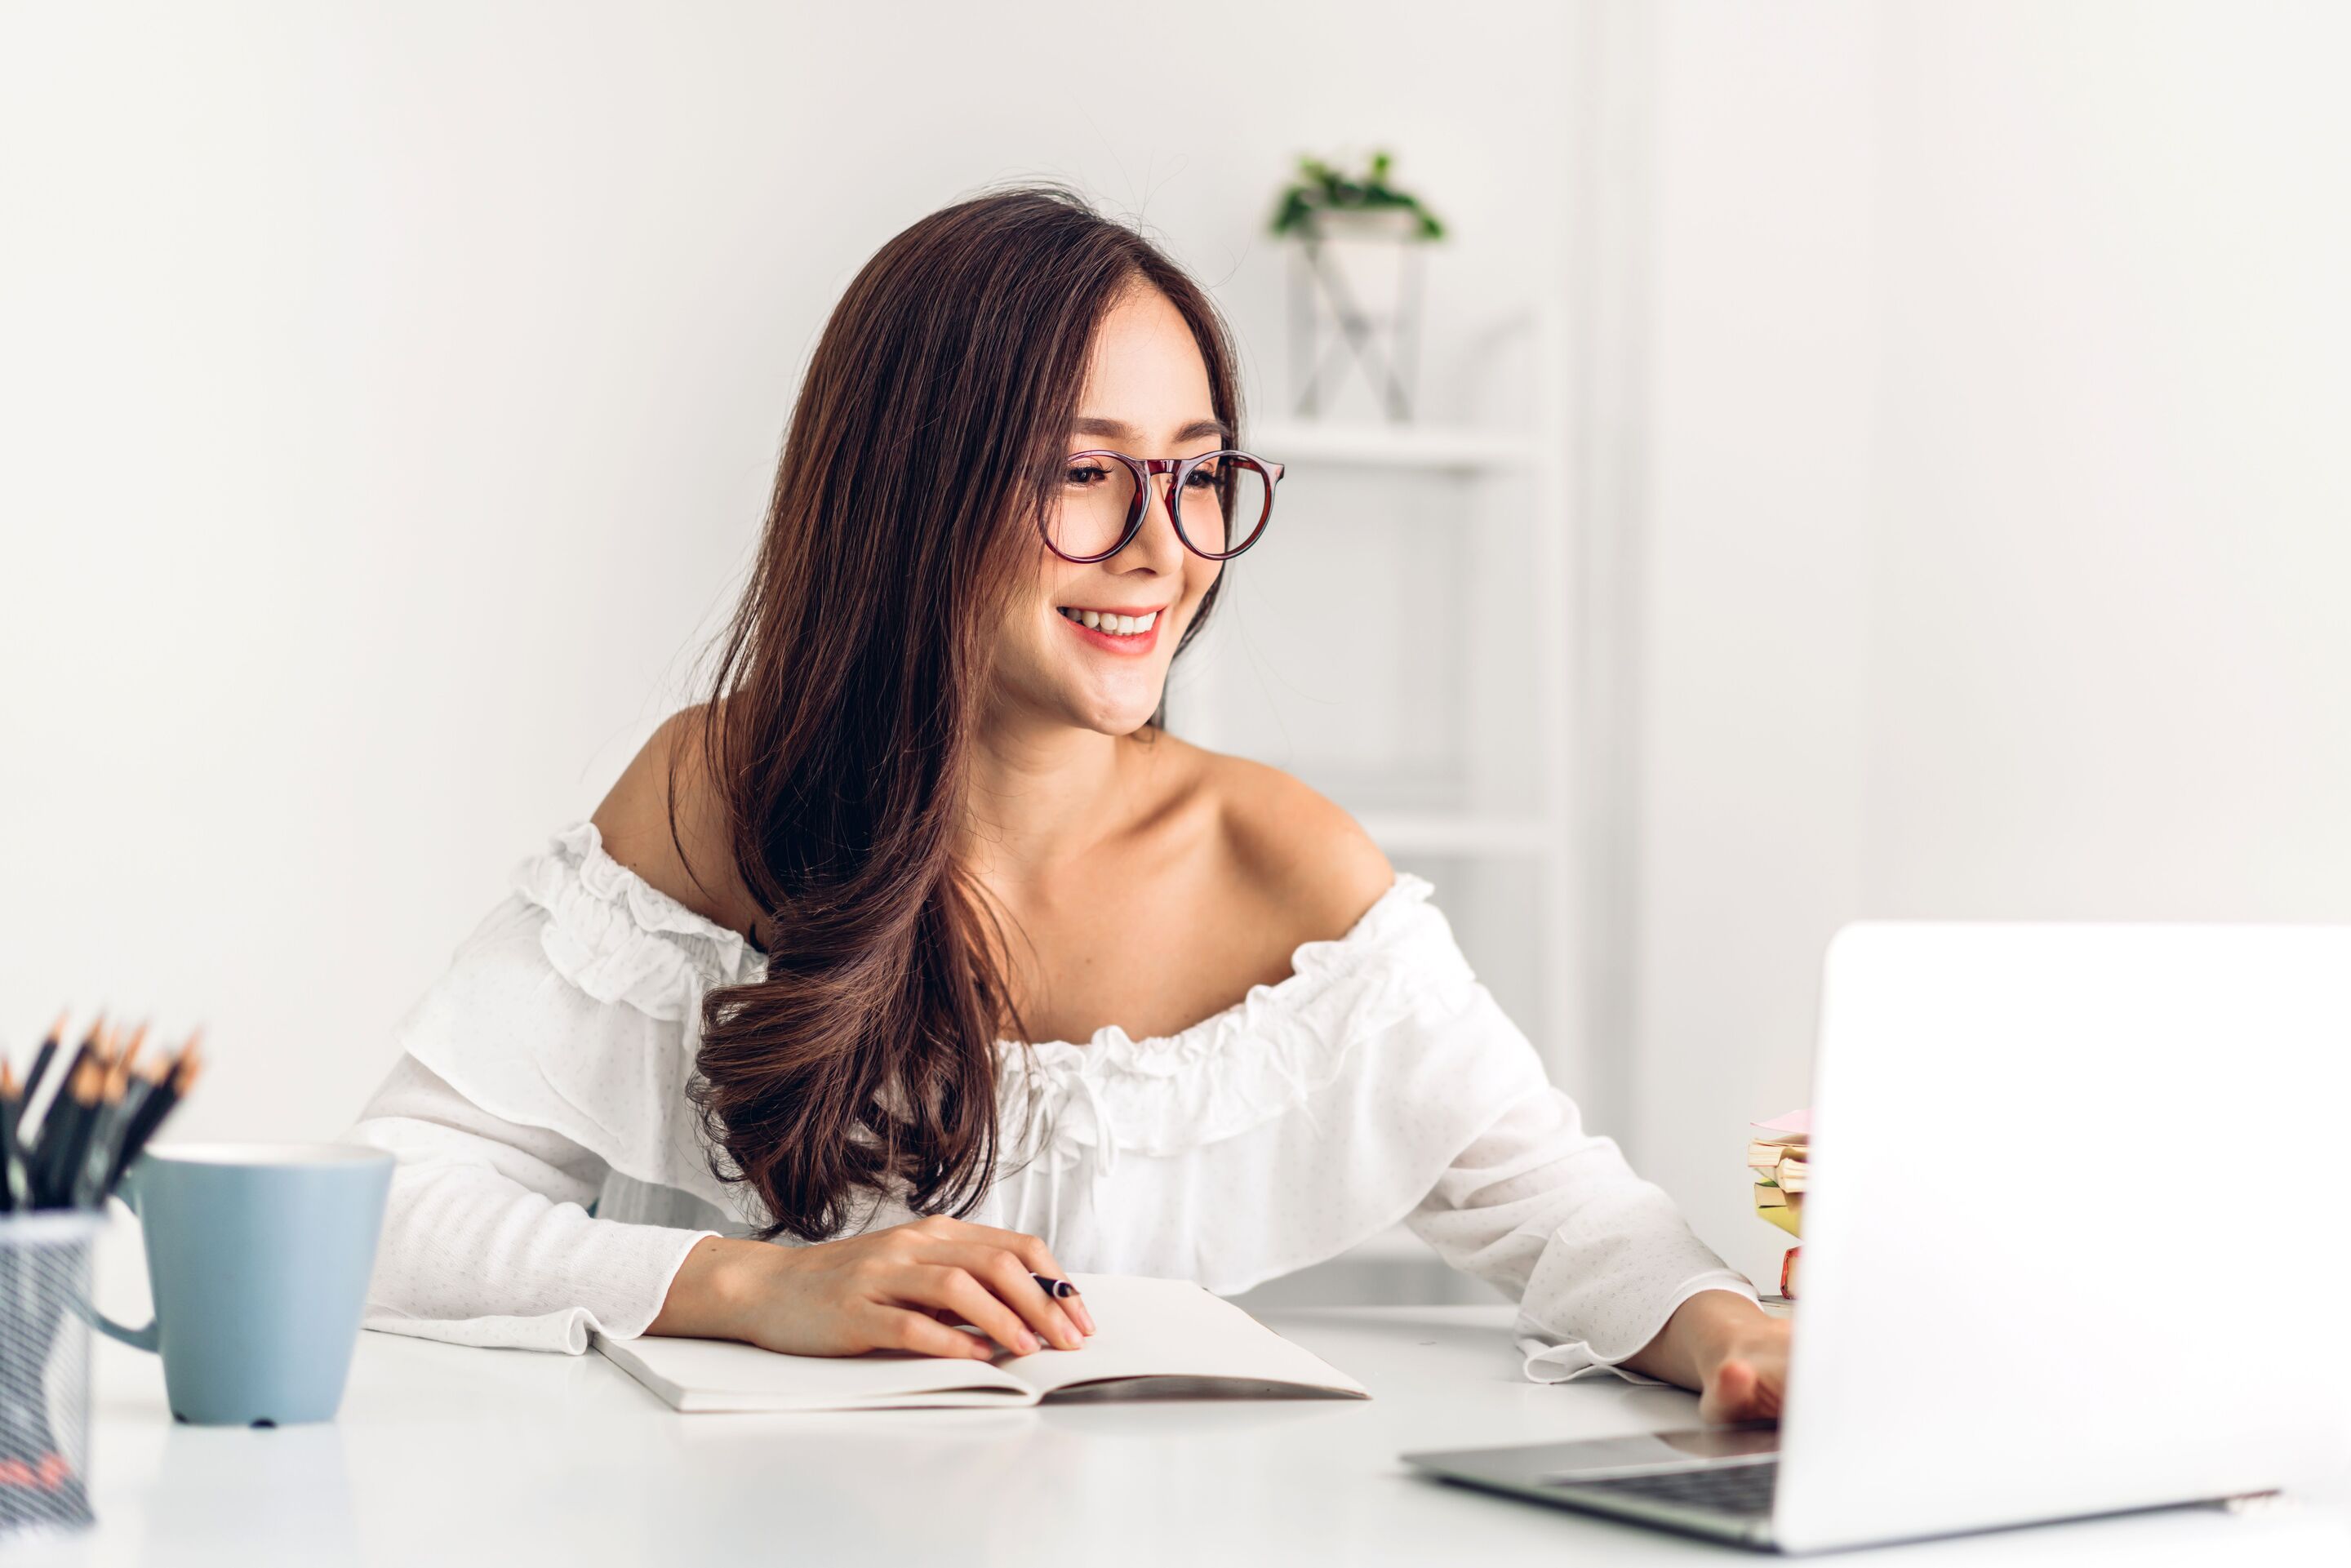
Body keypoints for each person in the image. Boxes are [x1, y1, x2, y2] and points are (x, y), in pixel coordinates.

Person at [343, 185, 1789, 1419]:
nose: (1164, 547)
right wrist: (756, 1287)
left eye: (1200, 473)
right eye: (1086, 473)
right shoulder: (716, 795)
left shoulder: (1279, 865)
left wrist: (1746, 1342)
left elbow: (1570, 1218)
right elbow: (387, 1206)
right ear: (914, 489)